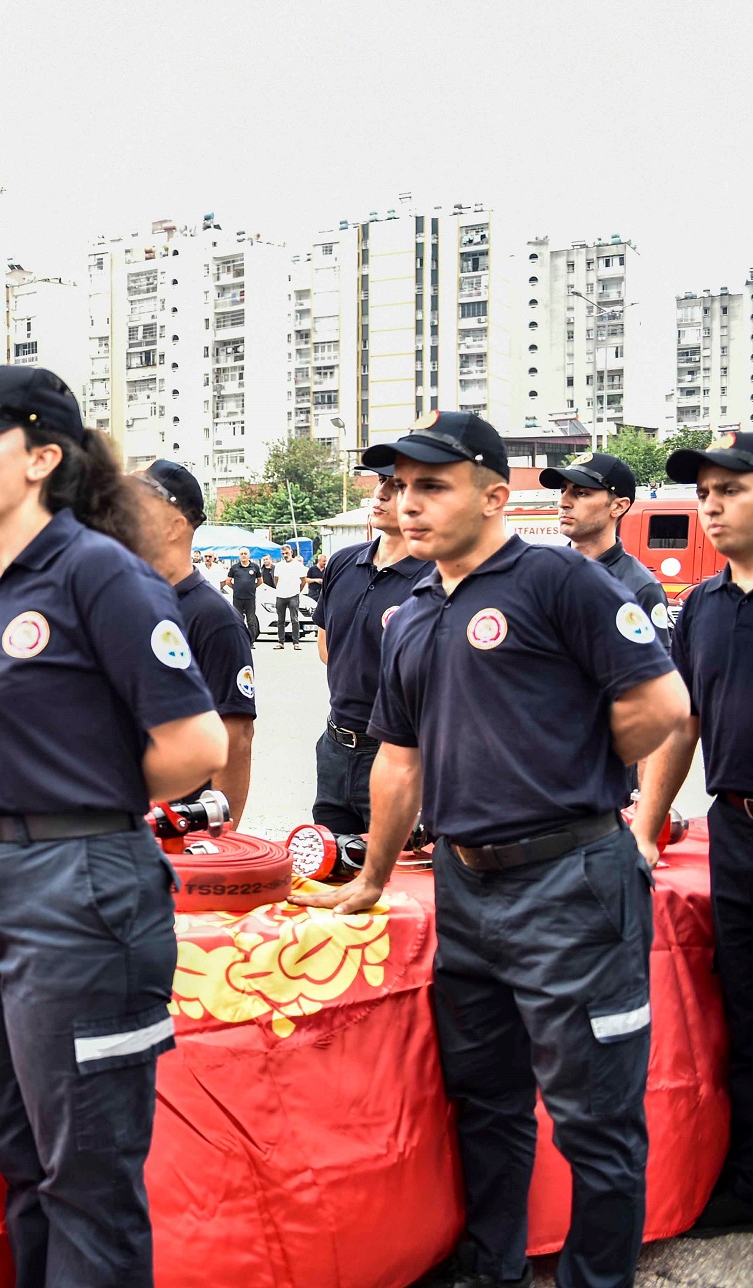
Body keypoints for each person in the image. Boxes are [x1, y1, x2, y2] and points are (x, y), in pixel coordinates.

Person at [294, 411, 689, 1288]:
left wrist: (573, 765)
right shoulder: (411, 614)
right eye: (400, 487)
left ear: (494, 495)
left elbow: (661, 704)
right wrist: (371, 877)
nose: (408, 503)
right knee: (486, 1100)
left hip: (572, 884)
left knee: (597, 1122)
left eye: (432, 486)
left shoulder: (557, 579)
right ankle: (492, 1268)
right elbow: (398, 761)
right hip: (467, 893)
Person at [0, 364, 227, 1285]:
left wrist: (73, 794)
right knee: (21, 1163)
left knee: (87, 1181)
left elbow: (196, 745)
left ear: (41, 459)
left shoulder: (96, 573)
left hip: (77, 894)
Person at [632, 428, 753, 1233]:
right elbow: (682, 726)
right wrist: (645, 831)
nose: (710, 506)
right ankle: (747, 1183)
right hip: (737, 834)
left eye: (731, 490)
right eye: (704, 493)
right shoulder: (703, 606)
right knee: (744, 1013)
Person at [133, 461, 257, 825]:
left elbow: (236, 738)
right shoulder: (127, 603)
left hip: (177, 825)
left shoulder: (214, 618)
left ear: (174, 527)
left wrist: (221, 836)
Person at [309, 466, 428, 835]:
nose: (381, 494)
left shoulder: (437, 578)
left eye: (397, 486)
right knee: (331, 860)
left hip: (398, 752)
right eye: (380, 481)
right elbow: (328, 648)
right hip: (335, 746)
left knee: (397, 868)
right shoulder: (343, 562)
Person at [543, 451, 672, 650]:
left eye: (581, 493)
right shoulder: (544, 574)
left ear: (618, 506)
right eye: (562, 490)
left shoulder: (640, 587)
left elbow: (655, 665)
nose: (563, 502)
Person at [271, 543, 307, 648]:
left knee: (294, 619)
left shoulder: (298, 565)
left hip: (293, 594)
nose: (285, 555)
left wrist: (297, 590)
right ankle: (280, 641)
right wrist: (280, 589)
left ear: (291, 552)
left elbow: (303, 580)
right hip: (280, 595)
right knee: (280, 620)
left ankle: (296, 642)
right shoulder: (278, 566)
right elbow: (276, 580)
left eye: (286, 553)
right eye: (283, 554)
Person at [224, 550, 263, 641]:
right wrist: (236, 588)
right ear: (239, 556)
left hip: (250, 598)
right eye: (241, 554)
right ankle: (240, 641)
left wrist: (252, 587)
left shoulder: (255, 567)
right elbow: (228, 581)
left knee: (251, 621)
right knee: (238, 620)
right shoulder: (234, 567)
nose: (243, 555)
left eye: (245, 554)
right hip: (237, 598)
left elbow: (260, 581)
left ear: (249, 555)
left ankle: (251, 641)